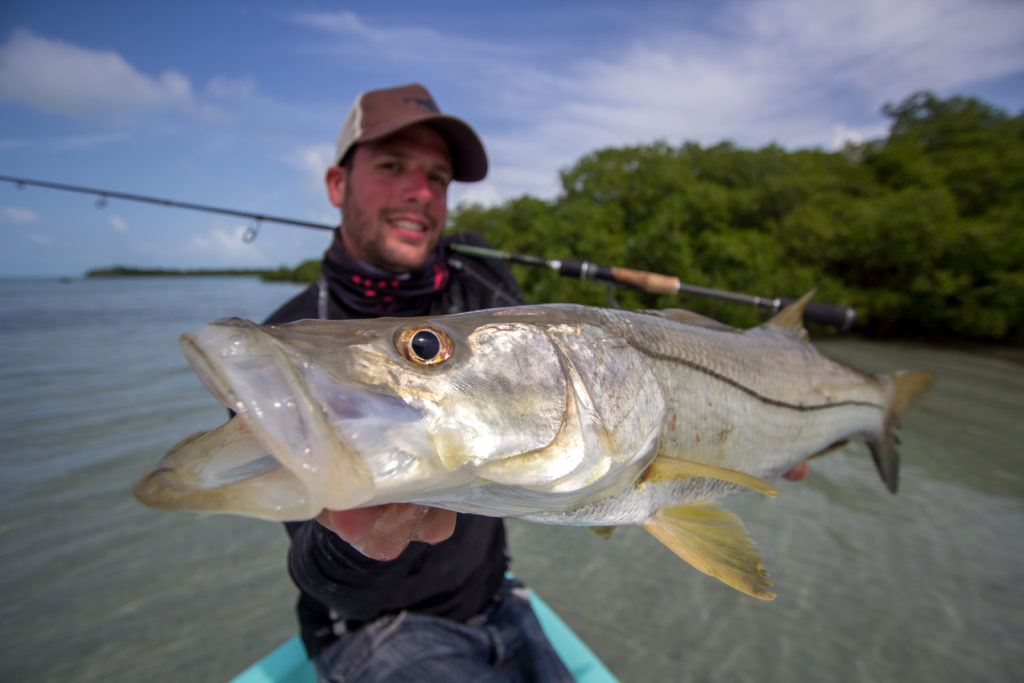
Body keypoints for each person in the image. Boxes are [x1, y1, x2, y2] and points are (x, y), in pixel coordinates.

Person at [263, 84, 574, 682]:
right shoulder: (289, 345)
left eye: (437, 177)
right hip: (374, 628)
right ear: (336, 185)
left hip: (497, 597)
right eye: (392, 166)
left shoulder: (478, 276)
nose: (421, 193)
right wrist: (352, 538)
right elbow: (310, 561)